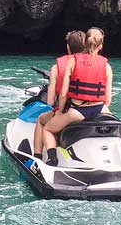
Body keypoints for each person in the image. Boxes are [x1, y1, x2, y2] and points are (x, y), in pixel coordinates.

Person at [42, 27, 112, 167]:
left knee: (48, 129)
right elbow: (108, 99)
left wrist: (61, 110)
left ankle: (52, 159)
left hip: (78, 111)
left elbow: (63, 93)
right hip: (100, 110)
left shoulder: (73, 61)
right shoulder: (107, 66)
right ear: (101, 46)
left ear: (85, 43)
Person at [33, 30, 86, 159]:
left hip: (69, 112)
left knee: (41, 120)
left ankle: (38, 157)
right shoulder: (94, 65)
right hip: (91, 111)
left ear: (68, 47)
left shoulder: (56, 68)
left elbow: (50, 102)